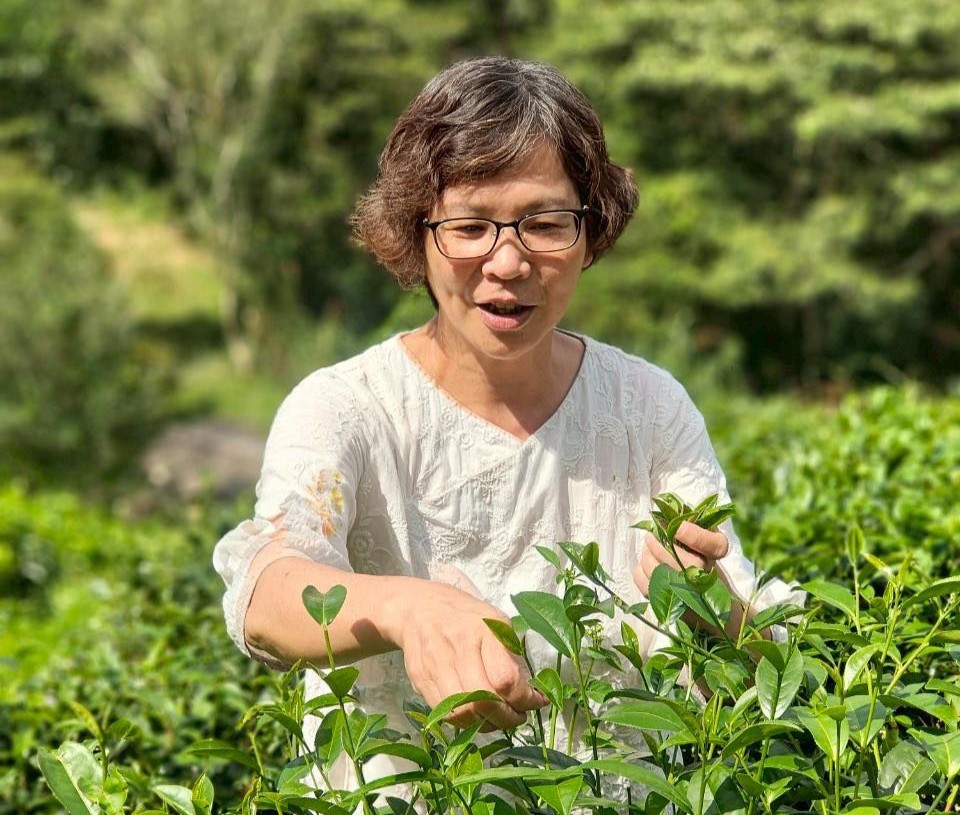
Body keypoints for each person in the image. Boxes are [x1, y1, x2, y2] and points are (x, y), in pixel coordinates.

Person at [213, 55, 796, 785]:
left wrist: (708, 602)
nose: (509, 261)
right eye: (471, 226)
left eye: (545, 223)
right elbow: (267, 590)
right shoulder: (347, 407)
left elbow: (762, 661)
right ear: (417, 233)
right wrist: (407, 606)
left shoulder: (647, 407)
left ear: (590, 232)